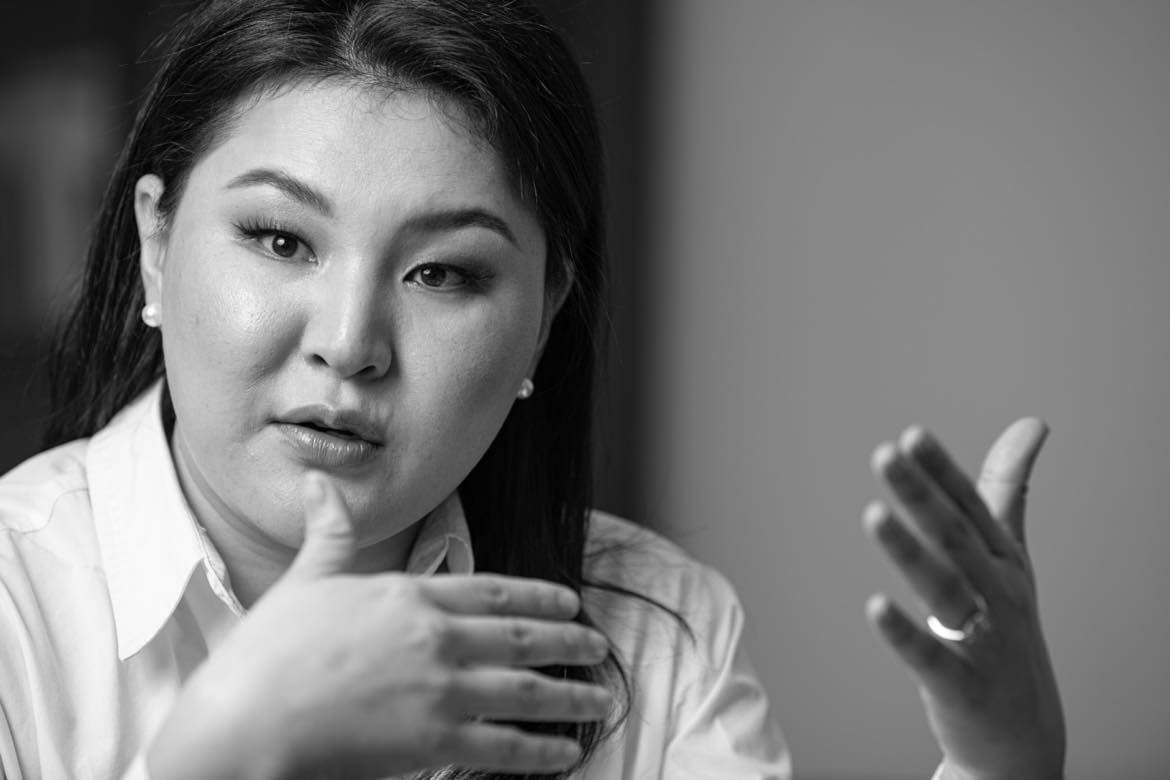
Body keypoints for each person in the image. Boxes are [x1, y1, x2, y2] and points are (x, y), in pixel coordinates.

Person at [0, 1, 1064, 778]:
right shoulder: (17, 603)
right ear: (155, 246)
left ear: (544, 318)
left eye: (443, 274)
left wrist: (1001, 758)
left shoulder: (657, 634)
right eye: (281, 240)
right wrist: (214, 756)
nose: (350, 344)